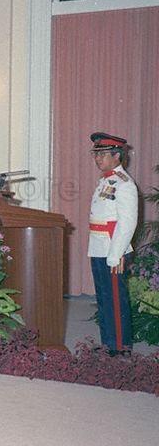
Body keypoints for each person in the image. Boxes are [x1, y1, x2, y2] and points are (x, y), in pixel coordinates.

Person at [87, 132, 138, 356]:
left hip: (113, 249)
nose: (98, 159)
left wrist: (115, 254)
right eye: (96, 154)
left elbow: (127, 223)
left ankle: (120, 347)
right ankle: (108, 343)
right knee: (104, 297)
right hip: (99, 247)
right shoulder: (105, 181)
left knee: (116, 300)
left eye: (103, 154)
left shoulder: (124, 184)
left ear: (117, 156)